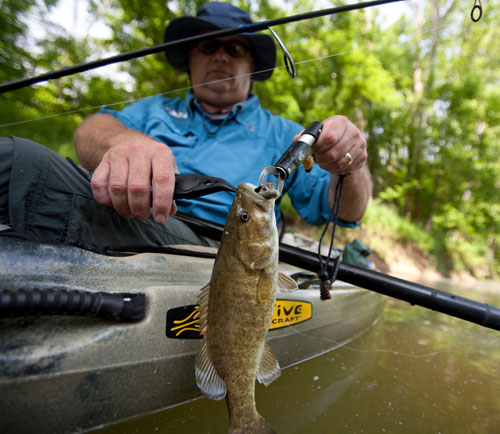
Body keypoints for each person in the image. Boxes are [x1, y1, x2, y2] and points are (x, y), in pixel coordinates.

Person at [0, 2, 371, 252]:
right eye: (208, 46)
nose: (221, 56)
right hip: (128, 221)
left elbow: (346, 211)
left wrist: (351, 163)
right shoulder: (153, 110)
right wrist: (124, 142)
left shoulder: (284, 133)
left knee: (19, 160)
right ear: (190, 58)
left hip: (221, 251)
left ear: (253, 65)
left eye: (235, 48)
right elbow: (92, 128)